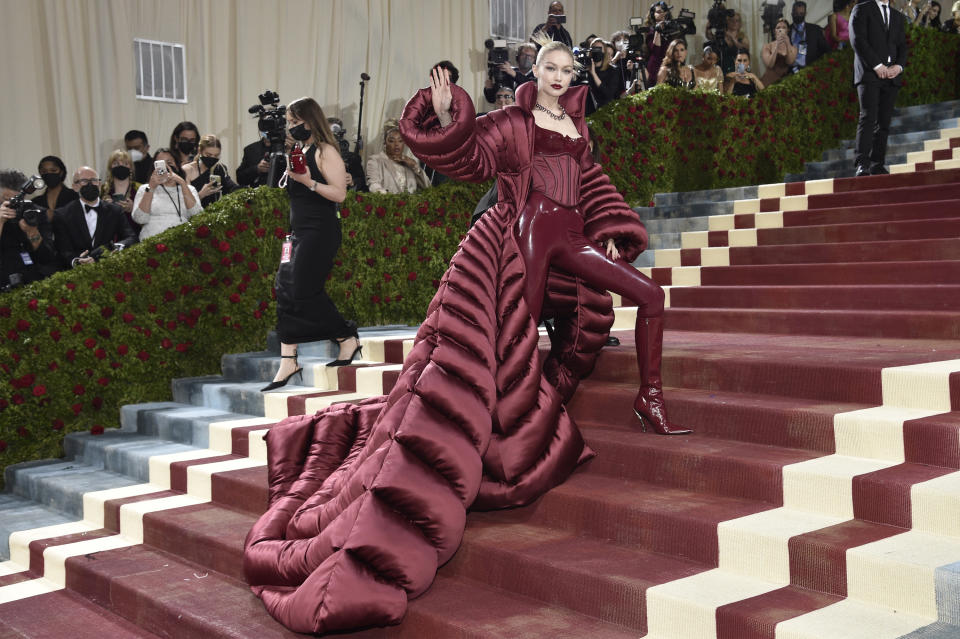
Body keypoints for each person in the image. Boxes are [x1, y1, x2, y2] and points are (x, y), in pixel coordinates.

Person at [244, 37, 689, 636]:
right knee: (510, 337)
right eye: (549, 69)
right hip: (525, 231)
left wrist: (609, 227)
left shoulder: (579, 120)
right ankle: (497, 432)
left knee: (650, 295)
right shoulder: (513, 119)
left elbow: (591, 179)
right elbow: (470, 158)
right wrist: (448, 112)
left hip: (572, 232)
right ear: (535, 70)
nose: (559, 77)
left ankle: (650, 398)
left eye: (567, 69)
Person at [262, 96, 360, 391]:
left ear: (311, 120)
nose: (291, 126)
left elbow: (339, 194)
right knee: (284, 290)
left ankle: (346, 337)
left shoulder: (325, 150)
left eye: (296, 121)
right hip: (298, 233)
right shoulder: (298, 150)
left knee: (303, 290)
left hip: (321, 231)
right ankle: (288, 359)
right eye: (289, 122)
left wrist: (308, 182)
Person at [850, 0, 908, 176]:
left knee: (884, 122)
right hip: (869, 73)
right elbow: (858, 40)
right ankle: (862, 163)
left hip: (891, 77)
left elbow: (902, 45)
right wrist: (877, 65)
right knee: (868, 117)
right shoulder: (861, 9)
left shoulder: (897, 16)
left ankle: (877, 163)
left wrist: (899, 66)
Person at [53, 167, 136, 268]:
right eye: (84, 181)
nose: (90, 184)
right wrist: (76, 261)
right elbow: (63, 249)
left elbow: (131, 237)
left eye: (94, 180)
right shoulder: (62, 214)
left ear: (100, 184)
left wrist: (115, 248)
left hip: (109, 267)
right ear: (74, 187)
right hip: (77, 274)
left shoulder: (115, 210)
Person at [0, 169, 57, 289]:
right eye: (5, 199)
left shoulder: (35, 212)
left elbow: (46, 257)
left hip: (33, 281)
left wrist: (32, 231)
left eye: (16, 200)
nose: (11, 204)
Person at [131, 153, 202, 239]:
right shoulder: (145, 189)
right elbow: (140, 219)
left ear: (177, 166)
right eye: (161, 164)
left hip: (181, 241)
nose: (166, 167)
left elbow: (197, 216)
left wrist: (183, 183)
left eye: (169, 163)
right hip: (151, 241)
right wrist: (151, 187)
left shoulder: (189, 189)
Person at [365, 120, 430, 194]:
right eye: (391, 141)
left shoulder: (409, 162)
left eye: (400, 140)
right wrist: (394, 200)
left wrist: (415, 166)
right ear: (384, 142)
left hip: (412, 204)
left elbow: (428, 188)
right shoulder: (375, 161)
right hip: (388, 203)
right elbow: (374, 186)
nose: (396, 144)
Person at [183, 134, 239, 208]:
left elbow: (230, 187)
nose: (212, 158)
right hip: (194, 216)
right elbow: (185, 204)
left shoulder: (219, 168)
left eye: (216, 156)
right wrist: (201, 194)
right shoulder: (187, 170)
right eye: (209, 155)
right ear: (200, 151)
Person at [100, 149, 142, 236]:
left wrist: (133, 209)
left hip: (135, 236)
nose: (121, 166)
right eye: (116, 163)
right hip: (110, 237)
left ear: (131, 167)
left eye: (125, 164)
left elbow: (146, 217)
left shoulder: (139, 188)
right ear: (110, 167)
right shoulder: (103, 189)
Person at [30, 155, 78, 222]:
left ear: (61, 172)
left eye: (53, 170)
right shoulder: (35, 202)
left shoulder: (75, 197)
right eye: (44, 172)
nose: (49, 174)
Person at [327, 117, 367, 191]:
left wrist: (352, 182)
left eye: (336, 133)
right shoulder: (316, 155)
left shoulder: (352, 158)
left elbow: (361, 182)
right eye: (329, 133)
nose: (333, 137)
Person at [790, 1, 830, 73]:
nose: (799, 16)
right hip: (790, 71)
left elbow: (825, 50)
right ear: (792, 13)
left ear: (805, 14)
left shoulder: (815, 29)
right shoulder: (786, 30)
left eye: (801, 14)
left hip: (811, 70)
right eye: (796, 14)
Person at [761, 18, 799, 86]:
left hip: (785, 82)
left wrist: (787, 43)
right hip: (769, 82)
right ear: (774, 31)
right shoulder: (767, 46)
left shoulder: (794, 48)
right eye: (778, 28)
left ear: (788, 30)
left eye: (784, 27)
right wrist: (777, 45)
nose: (781, 30)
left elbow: (789, 62)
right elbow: (770, 64)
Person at [587, 38, 621, 112]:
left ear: (604, 52)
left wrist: (594, 74)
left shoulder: (612, 70)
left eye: (599, 49)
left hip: (605, 111)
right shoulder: (586, 68)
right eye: (594, 48)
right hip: (588, 109)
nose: (597, 51)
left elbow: (608, 94)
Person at [644, 1, 673, 86]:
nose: (662, 14)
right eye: (659, 12)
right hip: (655, 67)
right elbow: (656, 51)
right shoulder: (650, 31)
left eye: (664, 11)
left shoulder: (672, 29)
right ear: (653, 14)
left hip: (670, 66)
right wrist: (658, 30)